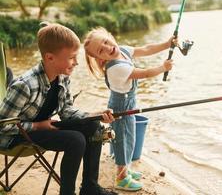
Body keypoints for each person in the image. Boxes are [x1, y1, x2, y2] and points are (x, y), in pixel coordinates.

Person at [0, 22, 118, 195]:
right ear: (49, 58)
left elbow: (66, 111)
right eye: (71, 57)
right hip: (16, 135)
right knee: (75, 140)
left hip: (43, 127)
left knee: (94, 127)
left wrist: (94, 115)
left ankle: (90, 188)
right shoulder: (24, 86)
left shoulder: (62, 76)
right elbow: (2, 125)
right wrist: (38, 126)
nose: (76, 62)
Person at [83, 27, 174, 191]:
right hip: (120, 107)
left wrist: (167, 44)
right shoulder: (115, 68)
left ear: (110, 36)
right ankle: (121, 178)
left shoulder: (122, 50)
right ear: (99, 58)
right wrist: (163, 68)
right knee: (122, 141)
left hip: (129, 103)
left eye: (106, 41)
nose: (107, 47)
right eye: (101, 50)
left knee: (130, 138)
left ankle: (126, 169)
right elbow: (144, 73)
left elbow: (146, 49)